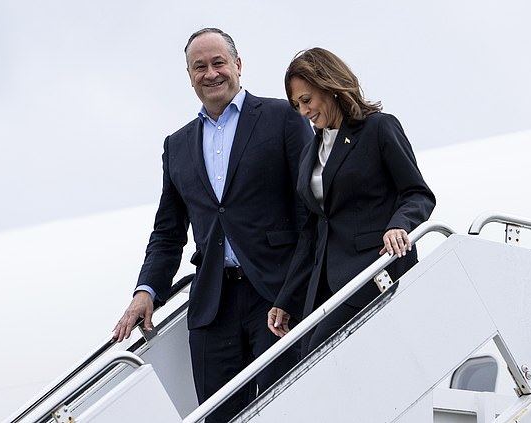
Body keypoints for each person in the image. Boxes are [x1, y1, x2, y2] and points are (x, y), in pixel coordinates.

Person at [112, 28, 313, 422]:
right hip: (211, 307)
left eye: (218, 62)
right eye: (199, 66)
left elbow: (308, 211)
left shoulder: (283, 118)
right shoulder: (177, 145)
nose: (211, 73)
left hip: (276, 295)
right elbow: (168, 232)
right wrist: (146, 290)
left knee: (286, 408)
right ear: (189, 76)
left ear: (238, 65)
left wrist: (299, 289)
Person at [268, 47, 436, 355]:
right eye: (297, 106)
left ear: (330, 87)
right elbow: (312, 232)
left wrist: (399, 225)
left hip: (372, 273)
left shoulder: (378, 128)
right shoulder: (310, 152)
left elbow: (417, 193)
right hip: (326, 287)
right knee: (307, 360)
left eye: (307, 100)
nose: (303, 111)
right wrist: (286, 299)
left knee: (317, 361)